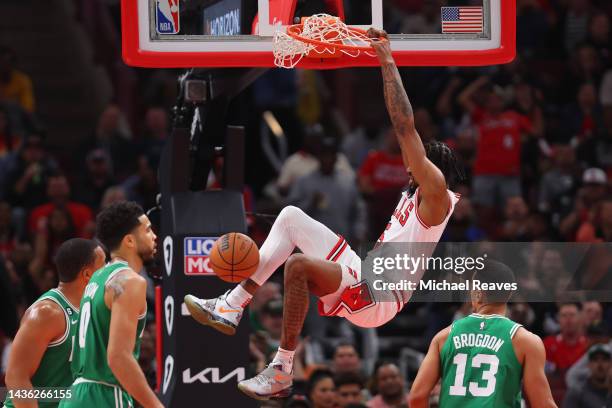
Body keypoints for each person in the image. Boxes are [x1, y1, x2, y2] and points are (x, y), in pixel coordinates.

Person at [184, 28, 461, 400]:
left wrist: (387, 60)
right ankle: (231, 304)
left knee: (297, 267)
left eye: (418, 163)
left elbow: (404, 125)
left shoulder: (436, 194)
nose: (409, 166)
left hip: (380, 296)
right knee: (291, 217)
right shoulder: (416, 192)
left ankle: (281, 369)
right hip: (368, 274)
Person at [408, 260, 557, 408]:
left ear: (476, 291)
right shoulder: (526, 341)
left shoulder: (444, 337)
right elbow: (542, 404)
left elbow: (417, 396)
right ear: (510, 293)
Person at [59, 202, 162, 408]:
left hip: (76, 395)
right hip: (104, 395)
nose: (154, 236)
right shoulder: (130, 281)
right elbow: (118, 357)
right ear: (130, 241)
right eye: (148, 230)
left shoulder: (97, 278)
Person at [4, 238, 105, 408]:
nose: (108, 272)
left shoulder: (90, 308)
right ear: (88, 274)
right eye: (103, 265)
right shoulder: (47, 313)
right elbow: (15, 377)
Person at [562, 344, 611, 408]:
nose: (600, 364)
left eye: (604, 359)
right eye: (595, 359)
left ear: (610, 363)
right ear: (589, 364)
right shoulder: (577, 392)